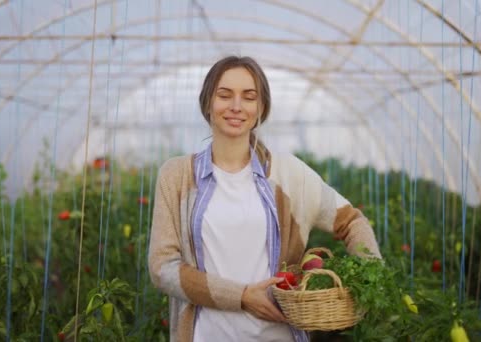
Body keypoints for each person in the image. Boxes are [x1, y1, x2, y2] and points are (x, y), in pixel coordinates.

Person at [148, 56, 381, 342]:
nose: (236, 106)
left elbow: (350, 220)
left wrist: (371, 276)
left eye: (249, 97)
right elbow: (162, 268)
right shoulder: (177, 176)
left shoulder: (289, 175)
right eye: (224, 95)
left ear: (261, 109)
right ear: (208, 103)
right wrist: (243, 296)